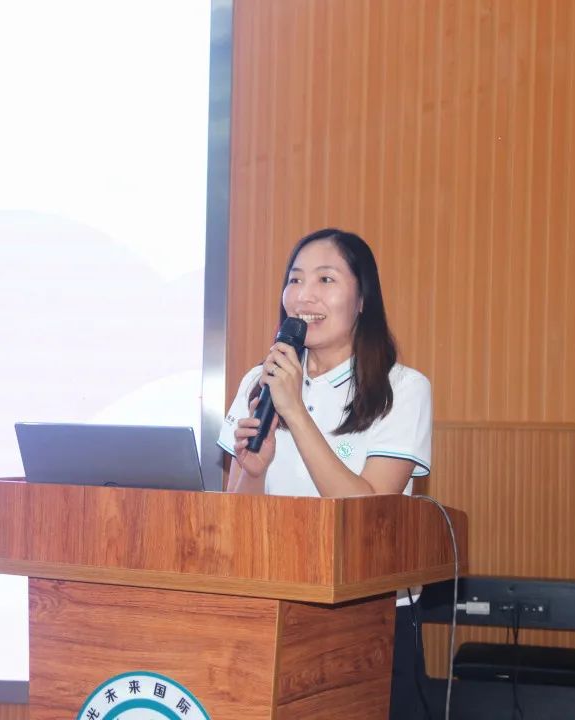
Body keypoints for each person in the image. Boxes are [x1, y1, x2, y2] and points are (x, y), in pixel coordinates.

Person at [217, 228, 433, 720]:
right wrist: (254, 471)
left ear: (362, 300)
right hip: (271, 604)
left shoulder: (403, 388)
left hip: (368, 618)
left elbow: (372, 515)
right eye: (295, 280)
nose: (304, 295)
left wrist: (296, 412)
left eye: (325, 279)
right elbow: (234, 521)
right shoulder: (258, 381)